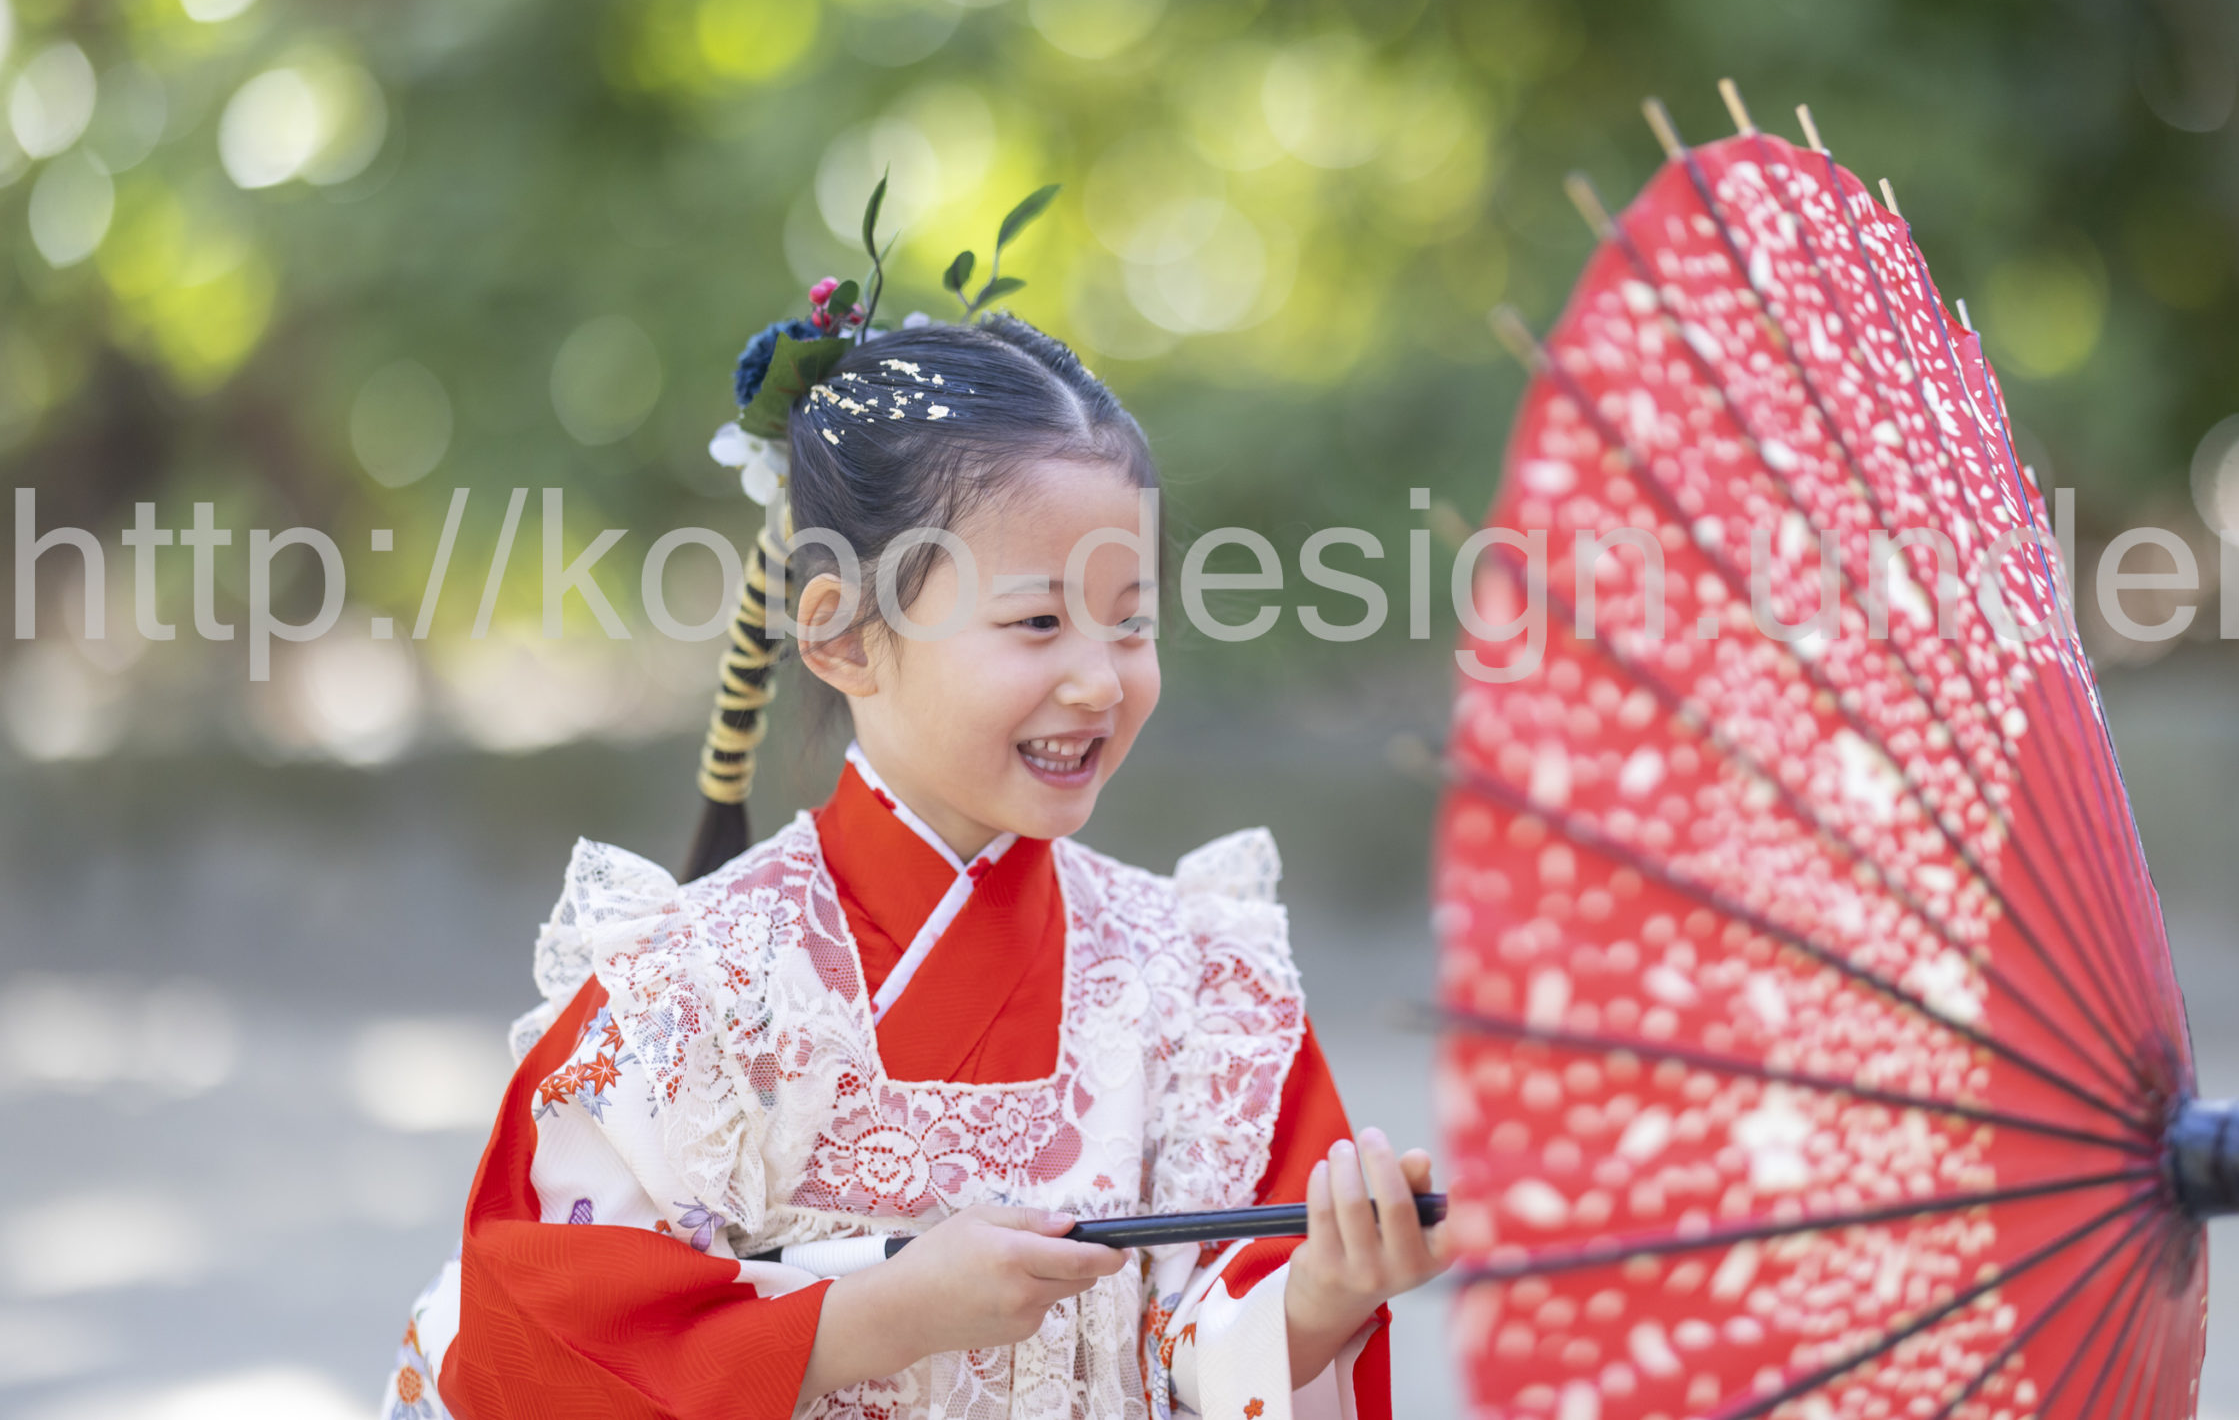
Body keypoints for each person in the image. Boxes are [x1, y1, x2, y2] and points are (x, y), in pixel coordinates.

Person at [383, 307, 1445, 1419]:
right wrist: (879, 1316)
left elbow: (1202, 1332)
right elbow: (544, 1347)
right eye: (1038, 622)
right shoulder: (692, 990)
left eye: (1130, 625)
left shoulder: (1202, 987)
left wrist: (1322, 1292)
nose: (1099, 680)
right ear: (843, 636)